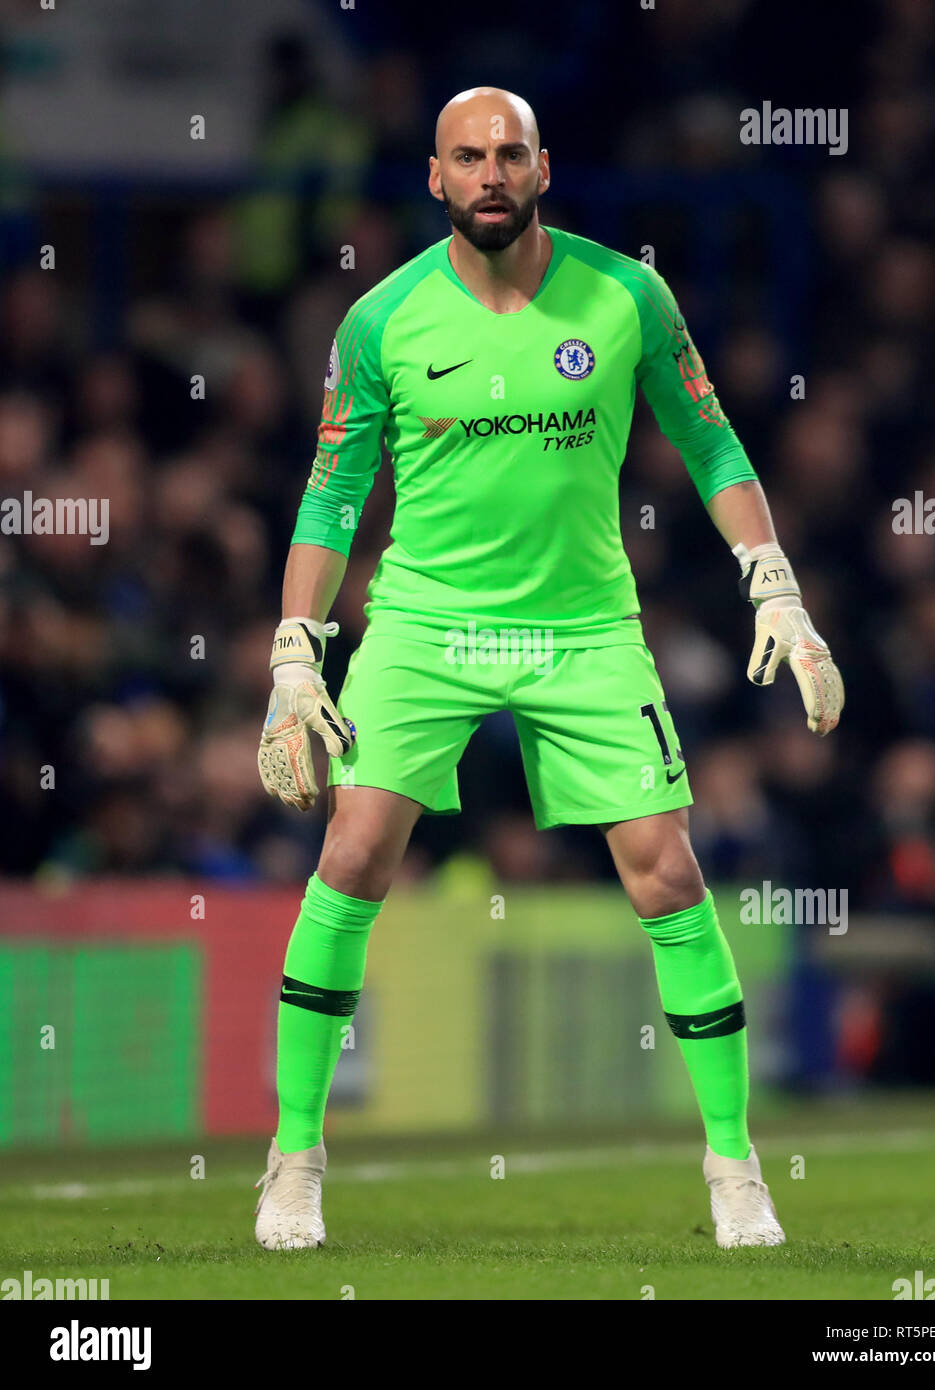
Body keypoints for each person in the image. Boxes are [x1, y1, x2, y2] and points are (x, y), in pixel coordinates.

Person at [252, 87, 843, 1251]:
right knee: (355, 851)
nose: (488, 173)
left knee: (666, 871)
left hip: (582, 626)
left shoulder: (627, 294)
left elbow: (710, 435)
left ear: (542, 168)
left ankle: (734, 1168)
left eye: (507, 154)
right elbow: (330, 494)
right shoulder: (379, 321)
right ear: (434, 176)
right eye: (466, 156)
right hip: (425, 622)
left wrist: (772, 579)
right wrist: (293, 652)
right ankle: (294, 1156)